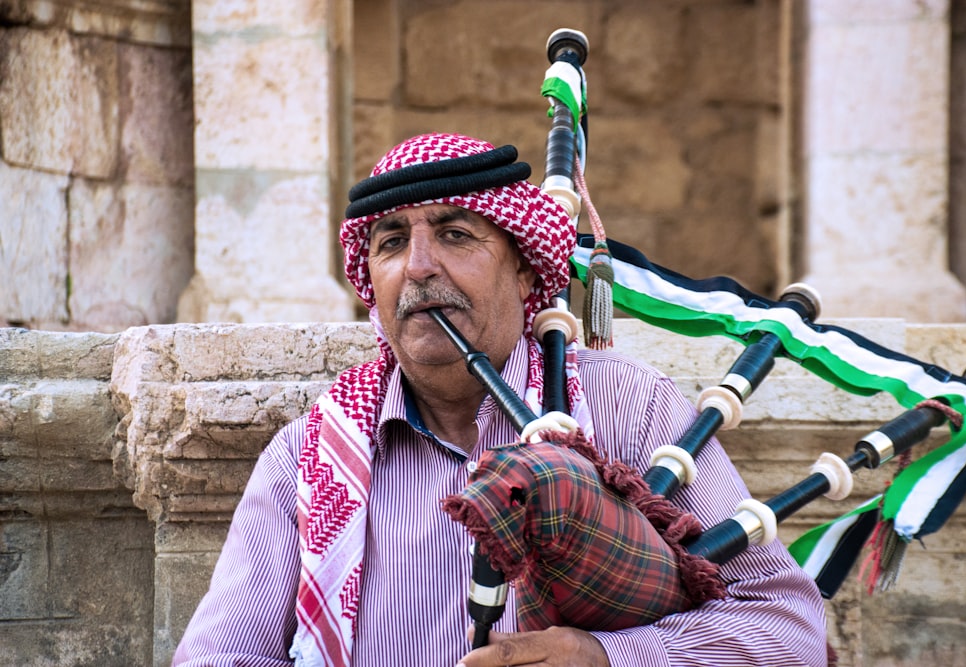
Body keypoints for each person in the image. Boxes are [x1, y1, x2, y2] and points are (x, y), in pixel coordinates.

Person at [173, 133, 828, 667]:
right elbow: (215, 656)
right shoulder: (312, 454)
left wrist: (610, 658)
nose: (419, 266)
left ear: (522, 270)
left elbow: (786, 628)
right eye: (392, 241)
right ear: (371, 280)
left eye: (456, 233)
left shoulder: (627, 406)